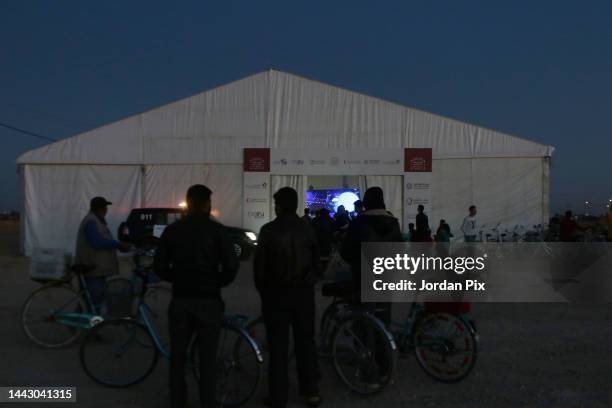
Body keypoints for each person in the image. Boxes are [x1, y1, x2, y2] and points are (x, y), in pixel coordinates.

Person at [154, 185, 239, 408]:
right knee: (207, 360)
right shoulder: (218, 231)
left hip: (181, 300)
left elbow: (160, 267)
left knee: (178, 358)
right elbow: (231, 266)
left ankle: (178, 402)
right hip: (210, 302)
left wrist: (178, 278)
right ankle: (207, 402)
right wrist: (216, 281)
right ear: (207, 204)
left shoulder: (173, 231)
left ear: (188, 203)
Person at [254, 187, 322, 408]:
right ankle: (311, 392)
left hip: (276, 297)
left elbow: (259, 271)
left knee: (278, 347)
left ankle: (278, 396)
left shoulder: (268, 231)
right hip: (303, 297)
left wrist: (266, 296)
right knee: (306, 343)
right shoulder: (307, 230)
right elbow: (317, 263)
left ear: (280, 205)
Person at [341, 187, 403, 322]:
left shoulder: (358, 223)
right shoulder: (394, 223)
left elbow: (346, 252)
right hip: (387, 277)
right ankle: (384, 340)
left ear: (365, 202)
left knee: (362, 317)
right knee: (384, 315)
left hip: (363, 278)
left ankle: (364, 341)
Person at [74, 196, 131, 314]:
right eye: (105, 207)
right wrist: (118, 244)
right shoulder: (91, 221)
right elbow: (96, 242)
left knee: (90, 300)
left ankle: (79, 324)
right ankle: (89, 328)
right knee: (94, 301)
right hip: (92, 269)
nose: (106, 210)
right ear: (101, 209)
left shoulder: (96, 220)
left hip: (96, 268)